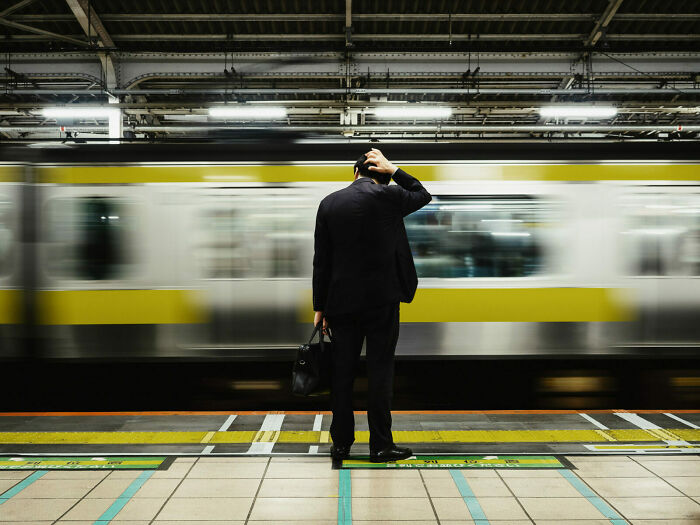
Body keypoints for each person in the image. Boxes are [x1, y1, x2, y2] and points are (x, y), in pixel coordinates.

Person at [312, 148, 432, 462]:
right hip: (382, 301)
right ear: (382, 176)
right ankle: (380, 445)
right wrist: (395, 170)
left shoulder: (330, 203)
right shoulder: (391, 199)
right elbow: (422, 194)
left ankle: (340, 444)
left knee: (342, 375)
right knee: (380, 372)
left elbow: (321, 261)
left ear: (355, 173)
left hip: (340, 304)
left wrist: (319, 307)